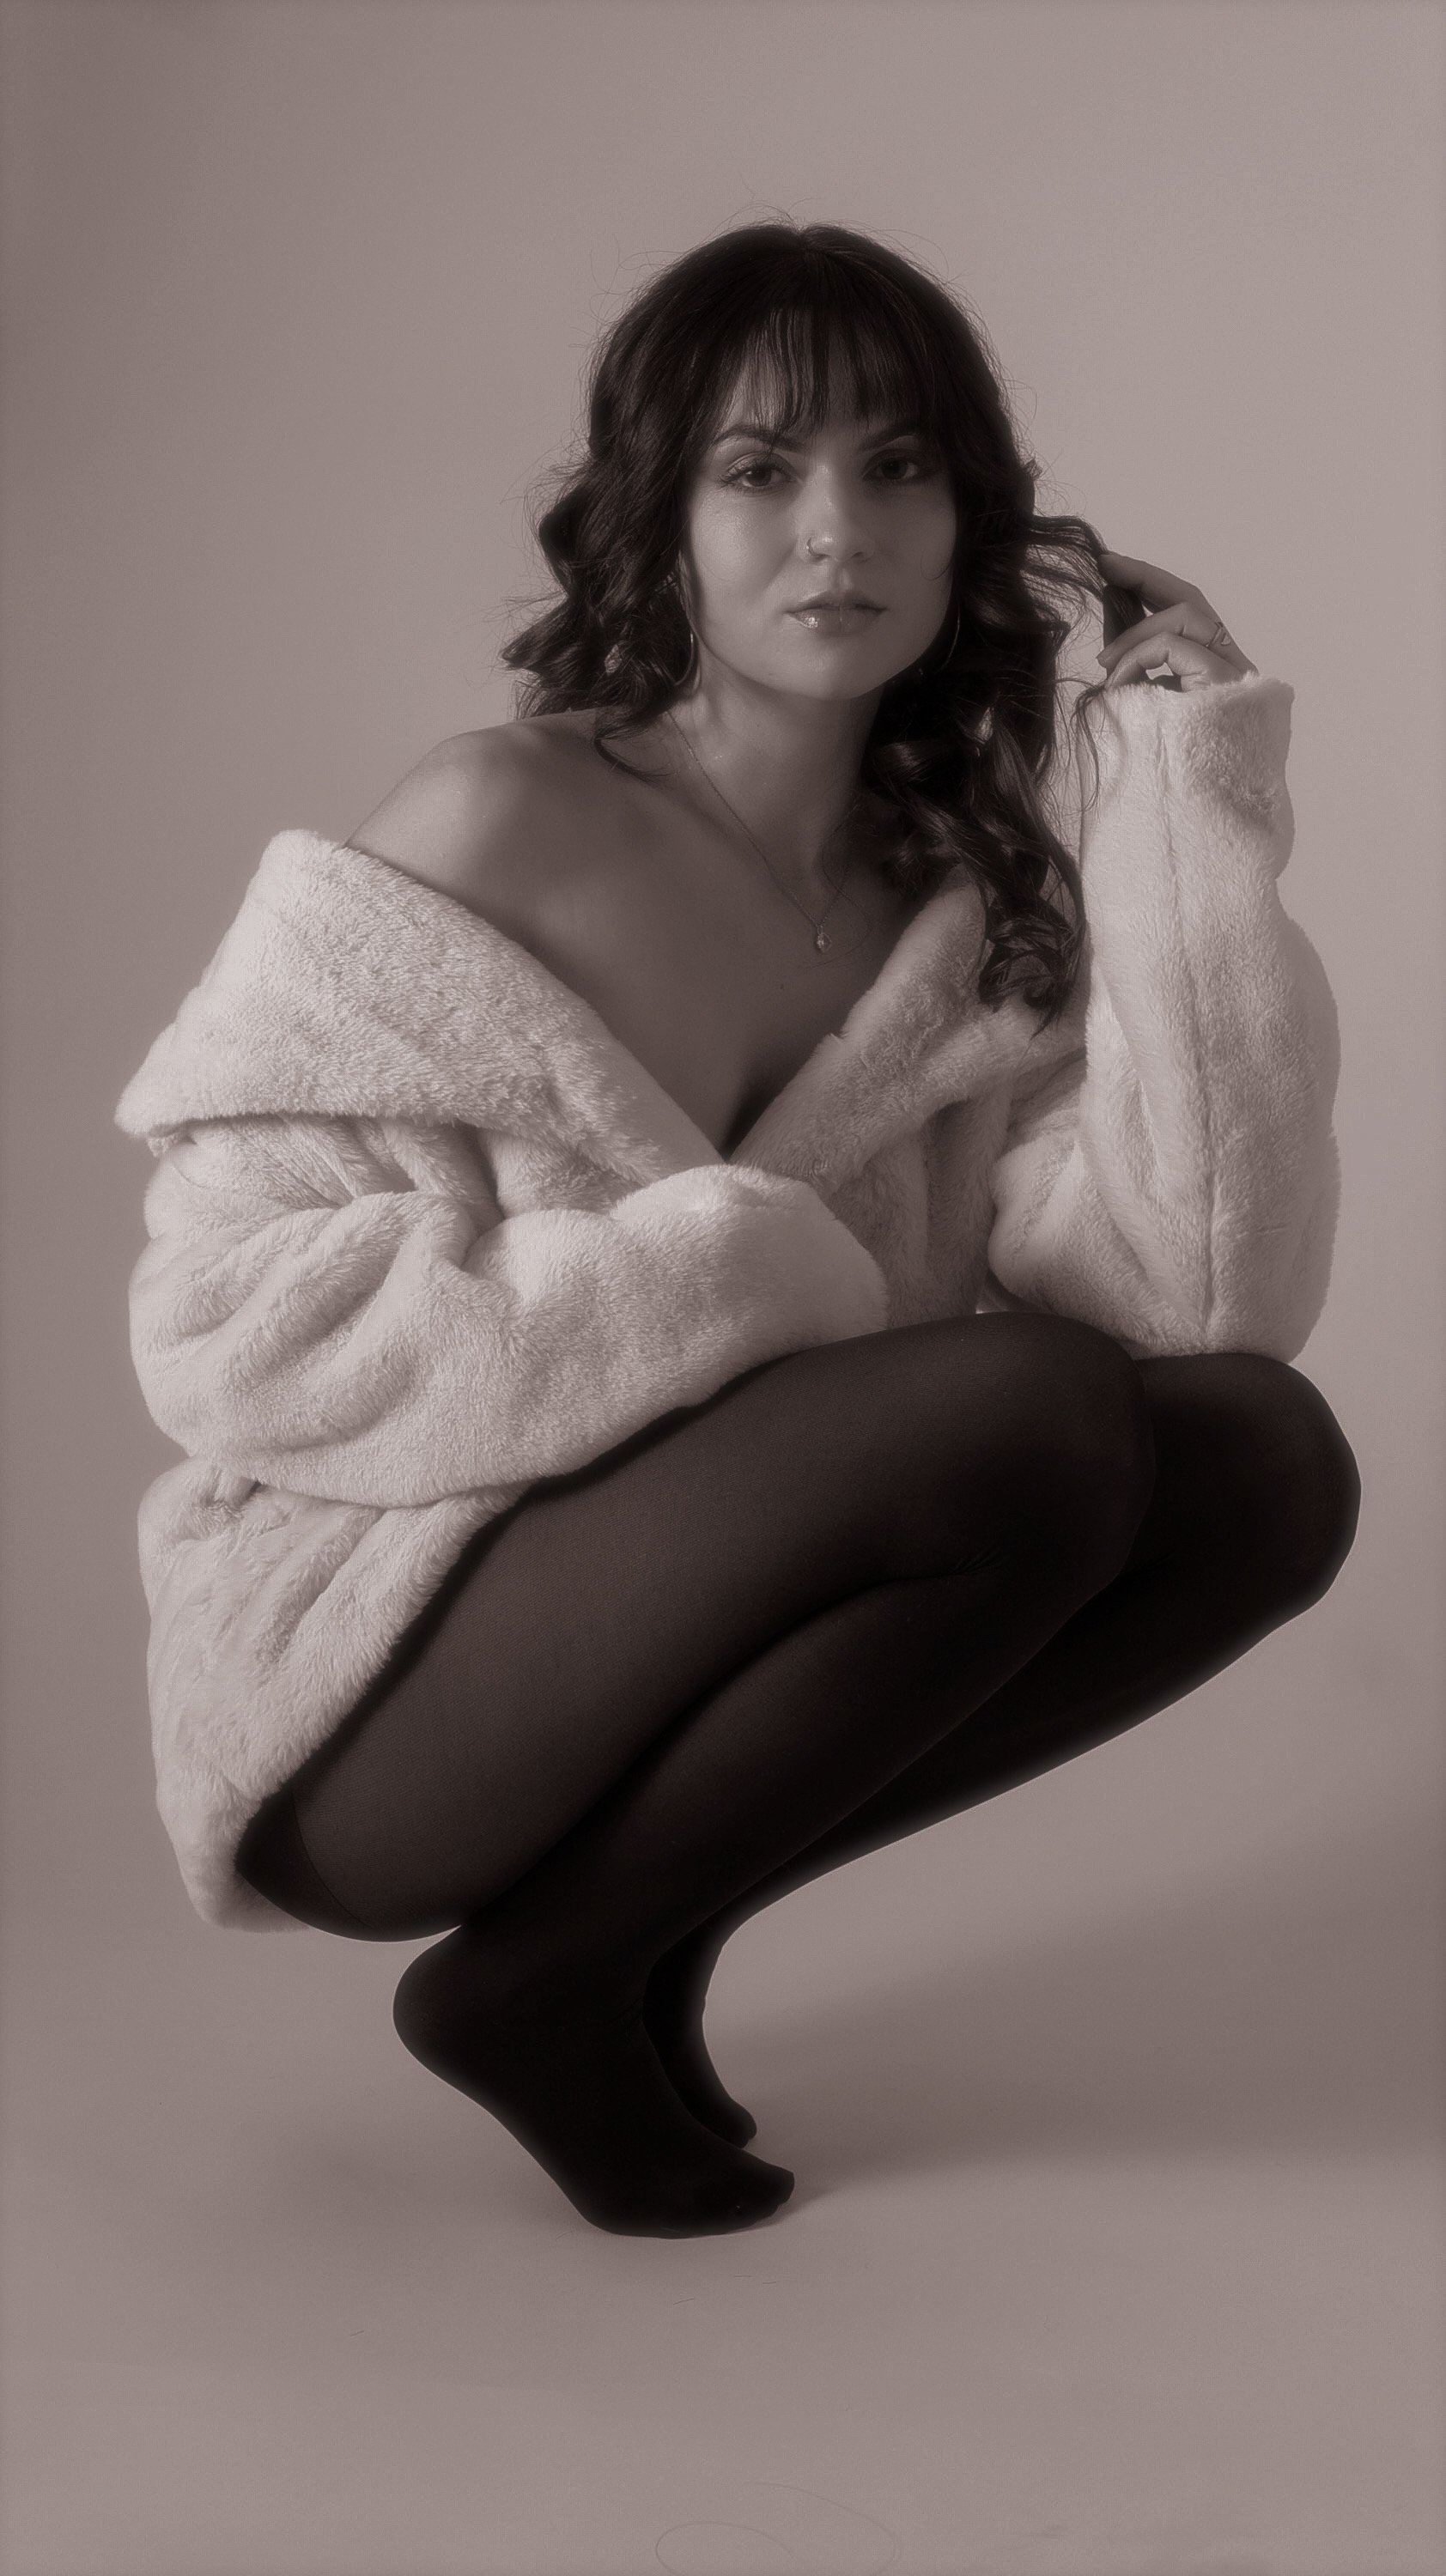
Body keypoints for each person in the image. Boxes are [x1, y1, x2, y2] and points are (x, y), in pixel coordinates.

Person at [116, 223, 1358, 2239]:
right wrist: (741, 1273)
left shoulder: (957, 900)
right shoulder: (491, 820)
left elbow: (1194, 1299)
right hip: (374, 1678)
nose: (832, 532)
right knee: (1019, 1418)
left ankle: (603, 1952)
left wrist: (1174, 785)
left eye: (896, 467)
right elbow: (227, 1325)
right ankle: (549, 1978)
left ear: (977, 520)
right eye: (758, 471)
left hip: (677, 1621)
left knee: (1256, 1466)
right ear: (658, 520)